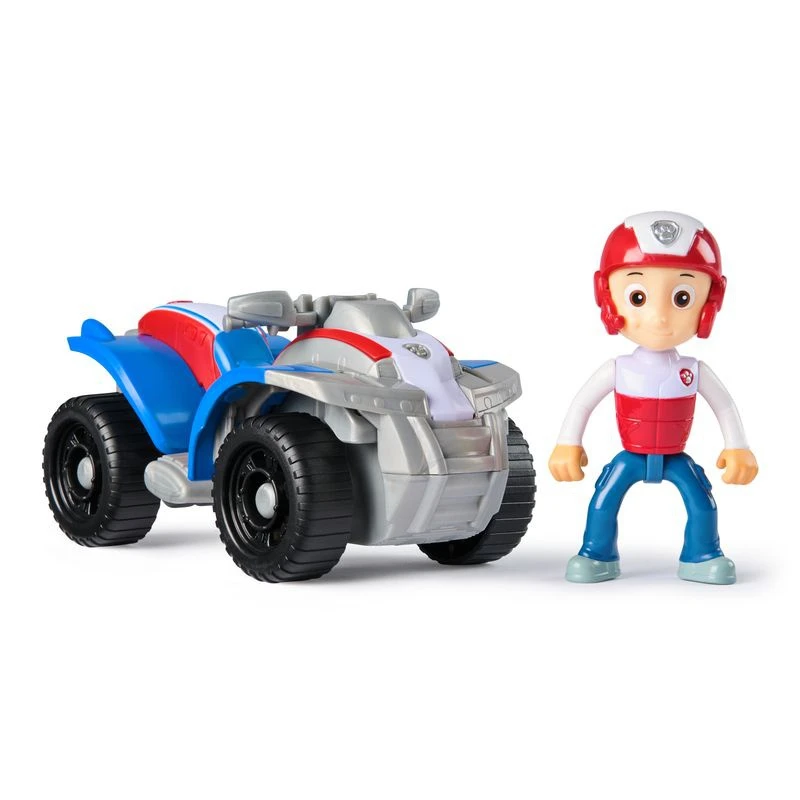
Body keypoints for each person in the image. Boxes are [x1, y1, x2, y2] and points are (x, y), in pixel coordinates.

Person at [549, 211, 758, 584]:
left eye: (682, 298)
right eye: (638, 297)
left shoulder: (693, 369)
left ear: (710, 300)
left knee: (702, 504)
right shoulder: (619, 368)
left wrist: (738, 447)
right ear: (607, 295)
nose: (660, 317)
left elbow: (724, 406)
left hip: (677, 456)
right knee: (603, 502)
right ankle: (596, 553)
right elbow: (582, 403)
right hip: (630, 455)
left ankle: (702, 555)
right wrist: (568, 443)